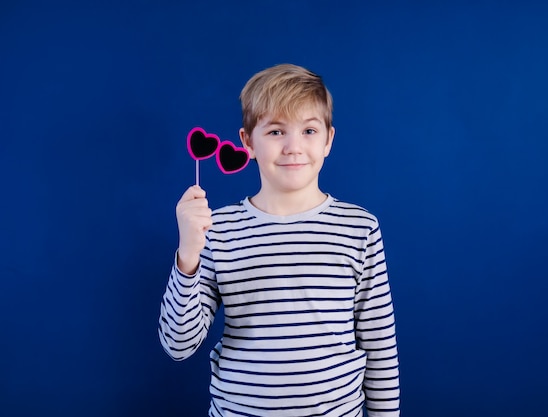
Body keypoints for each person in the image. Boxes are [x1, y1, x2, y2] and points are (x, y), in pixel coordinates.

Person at [159, 63, 400, 416]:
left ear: (328, 140)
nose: (293, 147)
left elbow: (379, 347)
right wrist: (188, 255)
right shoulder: (218, 229)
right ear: (247, 142)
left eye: (308, 130)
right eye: (275, 132)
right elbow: (177, 344)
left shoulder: (359, 228)